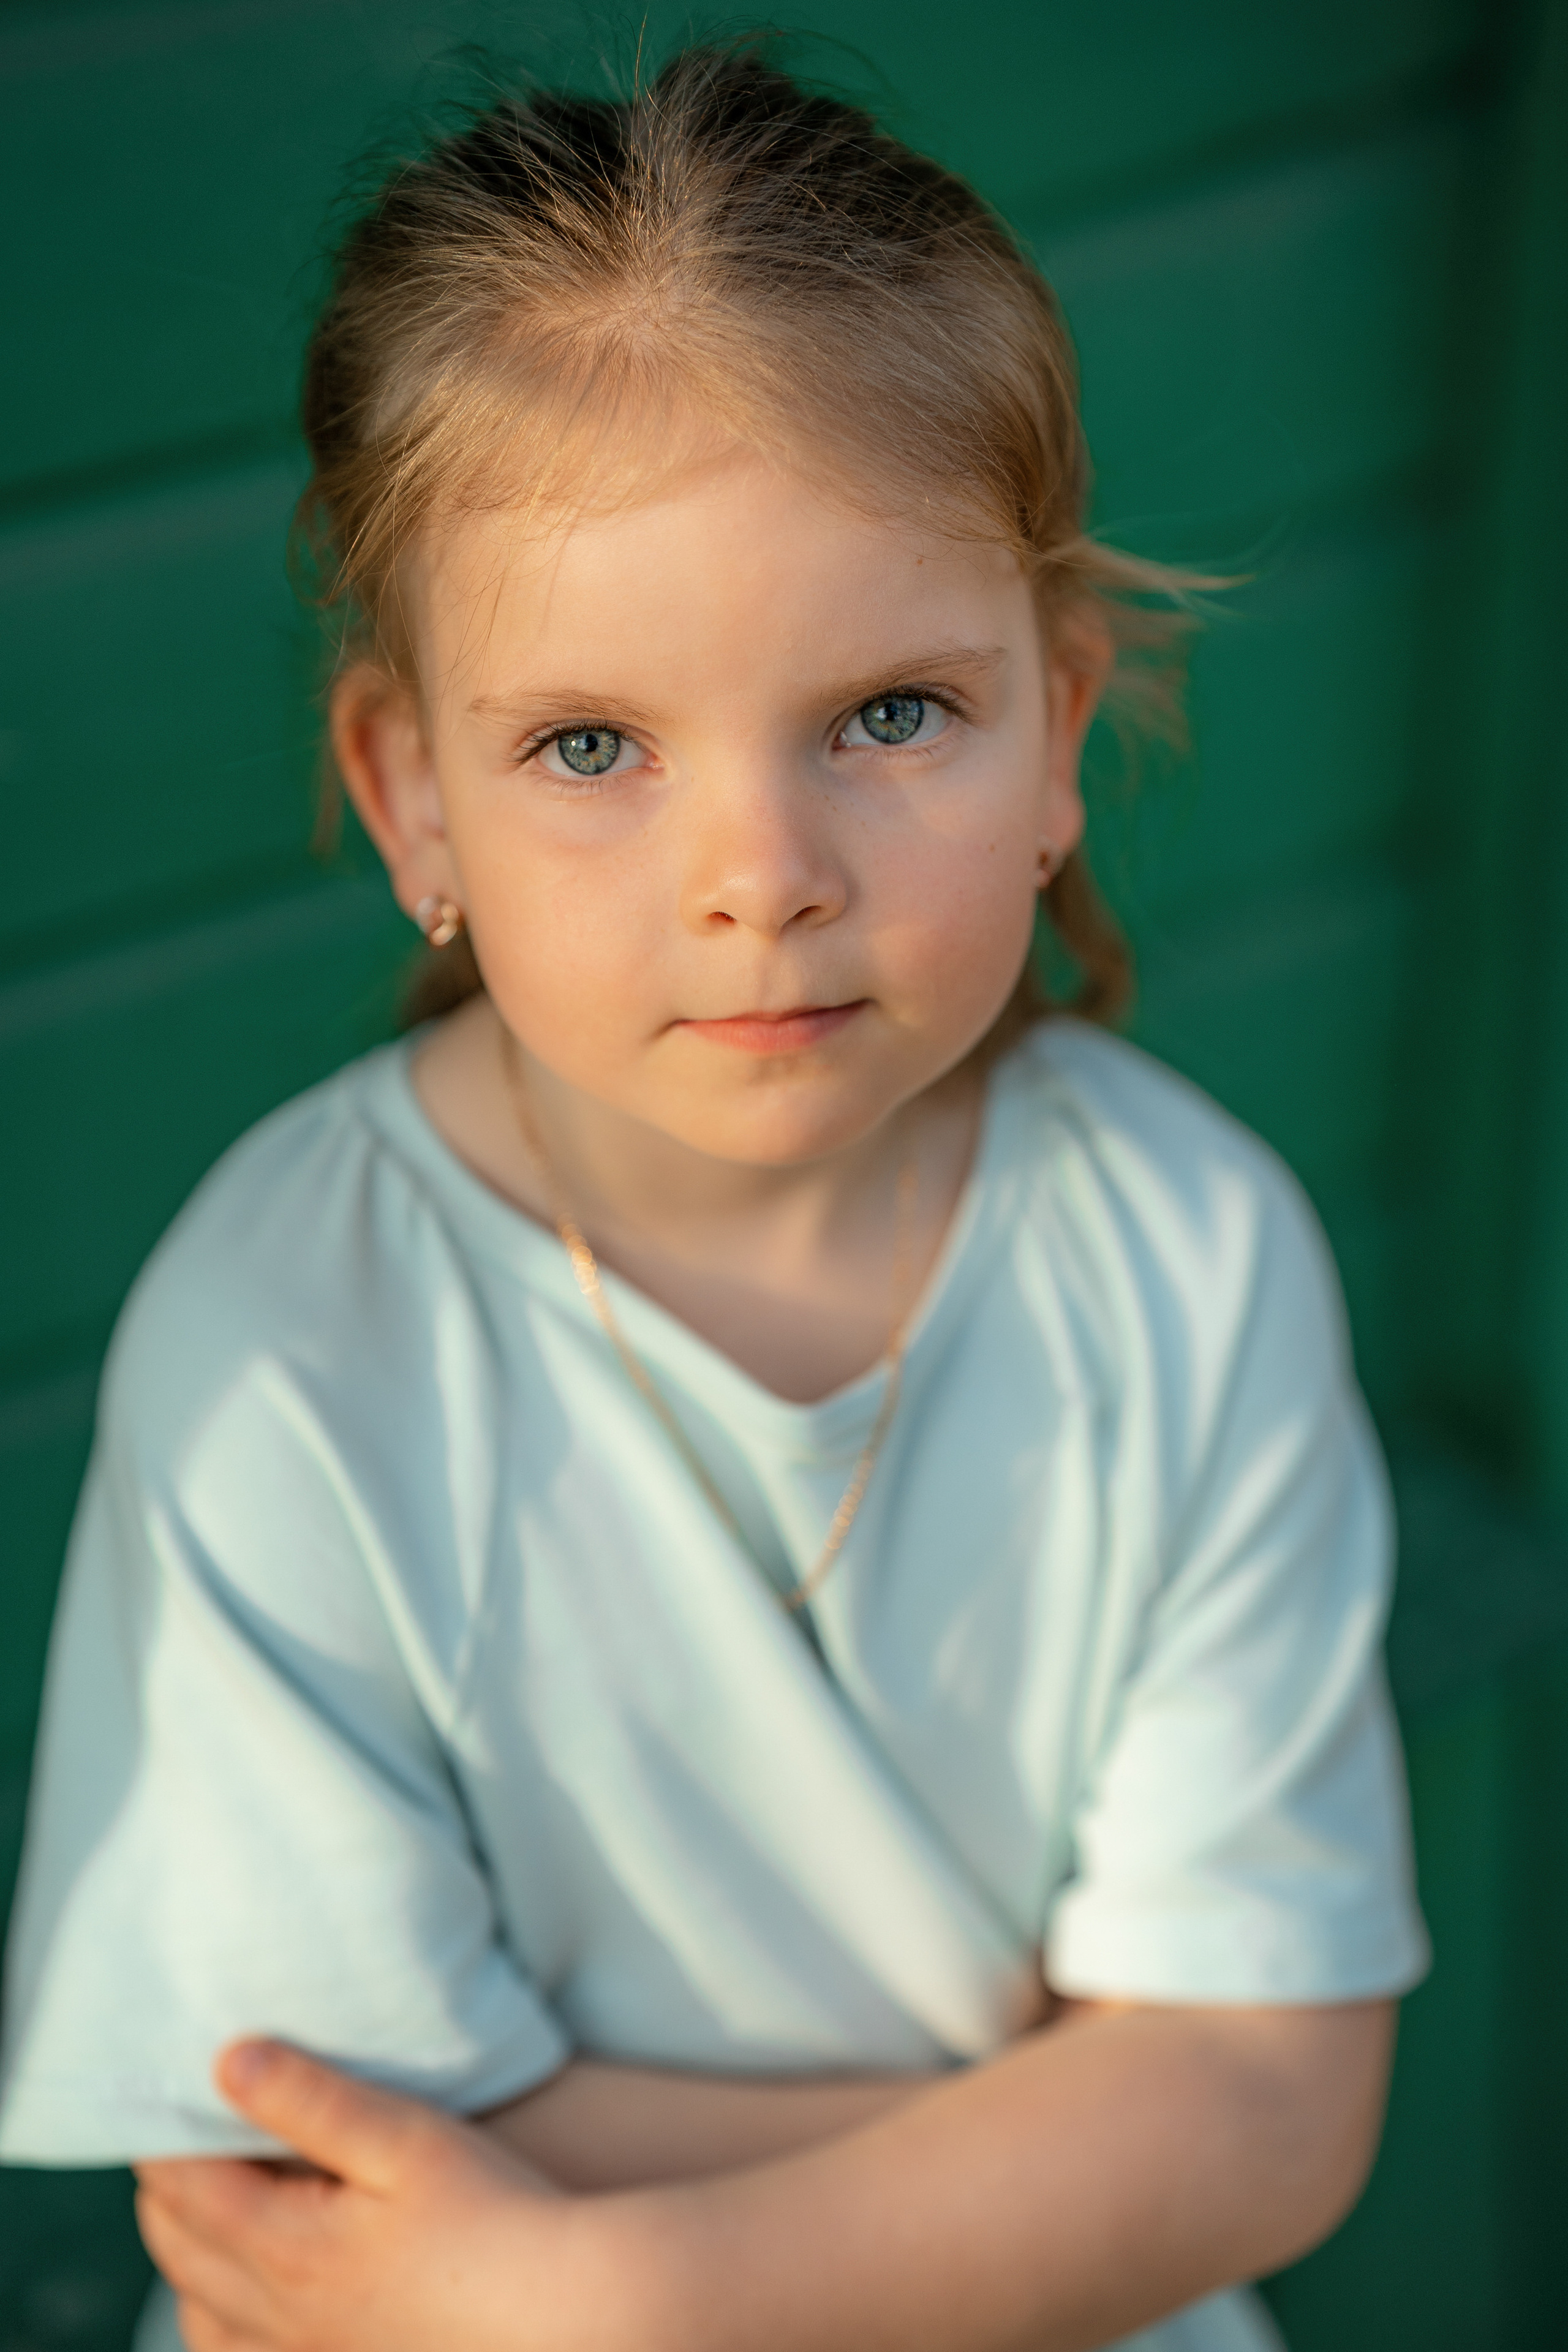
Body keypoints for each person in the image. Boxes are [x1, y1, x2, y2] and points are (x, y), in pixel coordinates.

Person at [0, 43, 1427, 2352]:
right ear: (413, 797)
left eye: (887, 713)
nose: (762, 876)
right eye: (590, 746)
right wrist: (1078, 2124)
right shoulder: (290, 1346)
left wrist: (629, 2293)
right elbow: (300, 2174)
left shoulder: (1186, 1257)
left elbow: (1274, 2102)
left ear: (1059, 726)